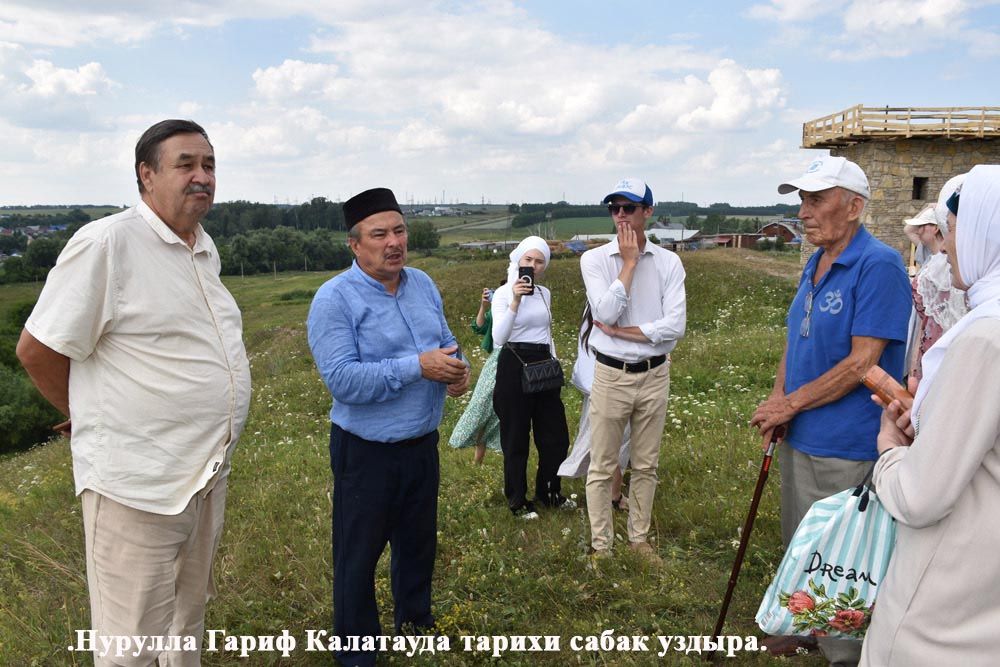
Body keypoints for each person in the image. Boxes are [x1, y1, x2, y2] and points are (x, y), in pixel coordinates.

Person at [15, 119, 252, 666]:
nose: (202, 176)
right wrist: (86, 414)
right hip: (136, 487)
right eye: (186, 164)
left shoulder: (202, 246)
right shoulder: (108, 243)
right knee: (131, 644)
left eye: (209, 164)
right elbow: (37, 349)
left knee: (185, 623)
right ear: (146, 176)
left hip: (203, 477)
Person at [750, 156, 911, 664]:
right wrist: (781, 405)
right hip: (805, 432)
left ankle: (846, 652)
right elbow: (794, 342)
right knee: (805, 539)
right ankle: (808, 629)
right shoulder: (815, 262)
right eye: (802, 200)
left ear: (854, 206)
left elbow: (863, 362)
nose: (803, 211)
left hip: (850, 440)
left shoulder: (877, 263)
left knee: (845, 554)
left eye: (816, 200)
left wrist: (790, 404)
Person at [307, 187, 469, 667]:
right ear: (355, 244)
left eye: (399, 230)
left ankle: (416, 623)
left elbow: (445, 342)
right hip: (366, 452)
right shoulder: (334, 299)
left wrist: (455, 370)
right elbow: (342, 380)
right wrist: (418, 367)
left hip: (421, 444)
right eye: (379, 234)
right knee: (357, 558)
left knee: (418, 544)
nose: (393, 242)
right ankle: (358, 654)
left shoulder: (422, 283)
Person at [860, 164, 1000, 666]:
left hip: (947, 614)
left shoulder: (986, 339)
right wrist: (936, 423)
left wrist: (891, 450)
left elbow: (921, 497)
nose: (945, 246)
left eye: (956, 230)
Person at [580, 178, 686, 563]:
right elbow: (604, 313)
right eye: (614, 208)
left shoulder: (670, 262)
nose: (620, 215)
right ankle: (601, 546)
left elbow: (675, 327)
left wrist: (625, 333)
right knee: (603, 464)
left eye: (629, 208)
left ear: (647, 212)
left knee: (646, 463)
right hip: (610, 373)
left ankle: (638, 540)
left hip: (655, 373)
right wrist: (628, 263)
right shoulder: (594, 260)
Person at [491, 235, 572, 519]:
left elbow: (546, 332)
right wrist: (514, 300)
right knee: (516, 438)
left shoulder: (545, 294)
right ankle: (516, 499)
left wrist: (555, 359)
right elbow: (499, 337)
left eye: (539, 261)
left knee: (556, 437)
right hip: (513, 364)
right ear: (518, 260)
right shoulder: (503, 294)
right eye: (528, 260)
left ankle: (549, 492)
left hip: (543, 365)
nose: (533, 266)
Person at [558, 304, 631, 511]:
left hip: (600, 384)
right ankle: (613, 496)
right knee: (615, 442)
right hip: (609, 384)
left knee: (609, 441)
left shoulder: (595, 304)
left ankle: (611, 493)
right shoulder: (606, 307)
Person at [902, 185, 967, 381]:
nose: (919, 231)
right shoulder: (928, 253)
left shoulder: (943, 264)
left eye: (925, 226)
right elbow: (908, 229)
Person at [448, 284, 503, 463]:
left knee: (502, 411)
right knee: (482, 404)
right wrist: (484, 306)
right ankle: (476, 458)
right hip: (497, 360)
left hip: (519, 359)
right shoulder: (498, 310)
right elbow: (479, 327)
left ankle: (502, 456)